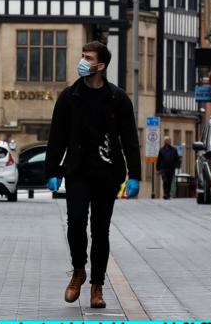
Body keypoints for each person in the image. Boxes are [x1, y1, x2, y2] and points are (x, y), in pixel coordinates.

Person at [46, 41, 140, 310]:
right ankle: (78, 270)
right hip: (77, 171)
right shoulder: (69, 97)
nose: (83, 61)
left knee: (101, 230)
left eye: (88, 58)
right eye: (82, 57)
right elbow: (57, 136)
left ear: (101, 65)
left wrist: (135, 175)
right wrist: (52, 169)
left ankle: (97, 286)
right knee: (75, 222)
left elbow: (130, 139)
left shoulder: (118, 99)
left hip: (107, 172)